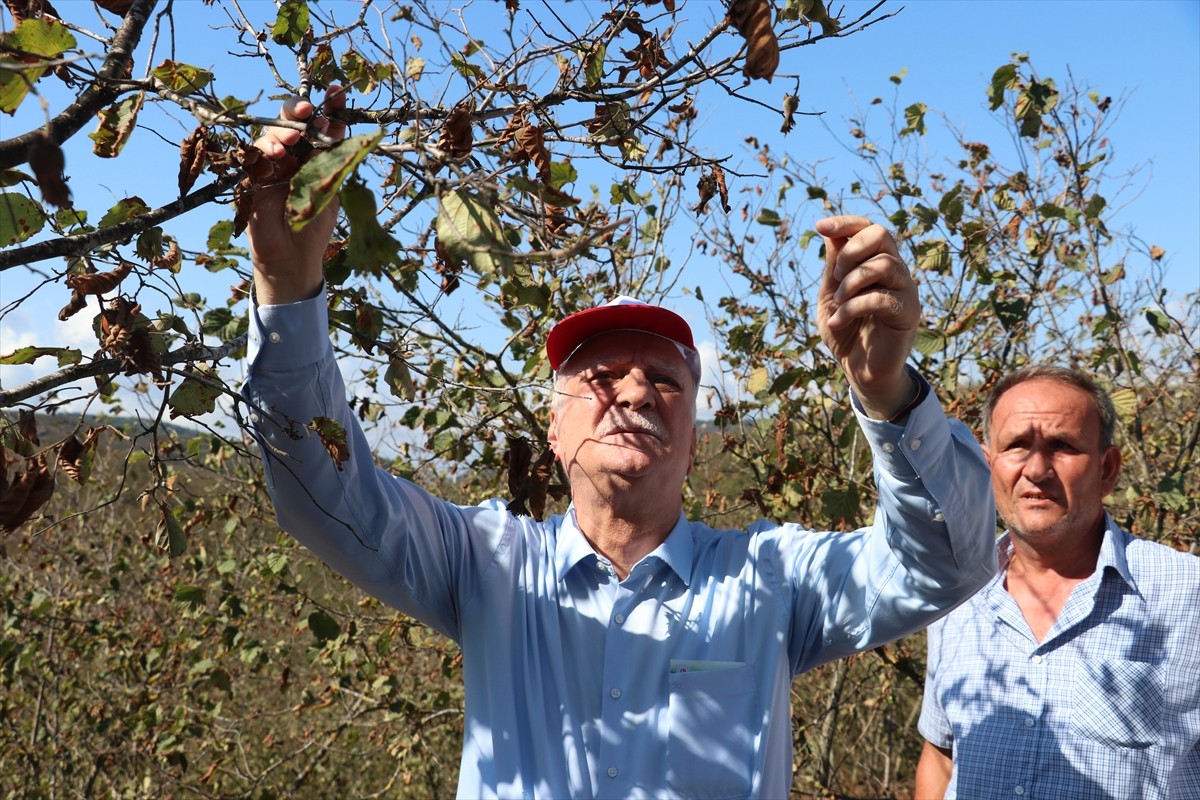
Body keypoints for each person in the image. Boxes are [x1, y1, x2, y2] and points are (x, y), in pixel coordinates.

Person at [241, 87, 997, 799]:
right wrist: (285, 283)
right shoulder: (488, 564)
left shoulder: (768, 580)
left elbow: (950, 562)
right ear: (553, 429)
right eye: (601, 375)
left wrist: (885, 390)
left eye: (665, 382)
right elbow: (320, 488)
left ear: (694, 441)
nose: (634, 392)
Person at [915, 366, 1200, 800]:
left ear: (1107, 469)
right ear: (988, 466)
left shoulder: (1186, 595)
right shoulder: (956, 594)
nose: (1037, 469)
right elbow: (940, 758)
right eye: (1016, 446)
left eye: (1062, 446)